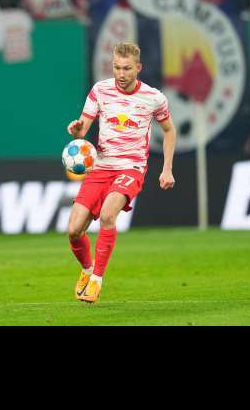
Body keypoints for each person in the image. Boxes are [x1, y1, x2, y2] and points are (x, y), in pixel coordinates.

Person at [66, 42, 177, 304]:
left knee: (108, 214)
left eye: (127, 68)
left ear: (138, 68)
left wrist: (167, 169)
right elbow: (83, 130)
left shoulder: (153, 98)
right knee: (73, 230)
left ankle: (97, 281)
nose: (121, 73)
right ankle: (87, 270)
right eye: (116, 67)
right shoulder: (100, 90)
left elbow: (169, 130)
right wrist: (77, 131)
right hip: (101, 167)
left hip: (131, 167)